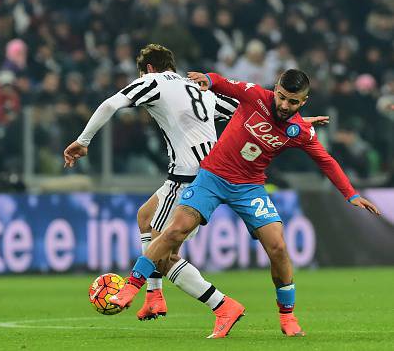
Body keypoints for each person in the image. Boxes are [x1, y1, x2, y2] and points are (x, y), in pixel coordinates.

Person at [109, 69, 381, 338]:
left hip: (250, 188)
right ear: (275, 90)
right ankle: (132, 286)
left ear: (304, 102)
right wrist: (209, 78)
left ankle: (288, 316)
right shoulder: (255, 96)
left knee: (278, 246)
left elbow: (326, 161)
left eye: (293, 102)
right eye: (282, 97)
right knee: (174, 230)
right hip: (212, 177)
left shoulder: (301, 131)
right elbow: (224, 83)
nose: (285, 105)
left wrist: (351, 194)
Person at [64, 44, 325, 321]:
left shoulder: (151, 82)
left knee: (163, 255)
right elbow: (253, 112)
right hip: (211, 171)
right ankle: (154, 297)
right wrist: (297, 122)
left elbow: (111, 103)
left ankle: (222, 306)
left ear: (149, 69)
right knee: (145, 217)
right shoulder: (196, 88)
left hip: (187, 175)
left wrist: (83, 141)